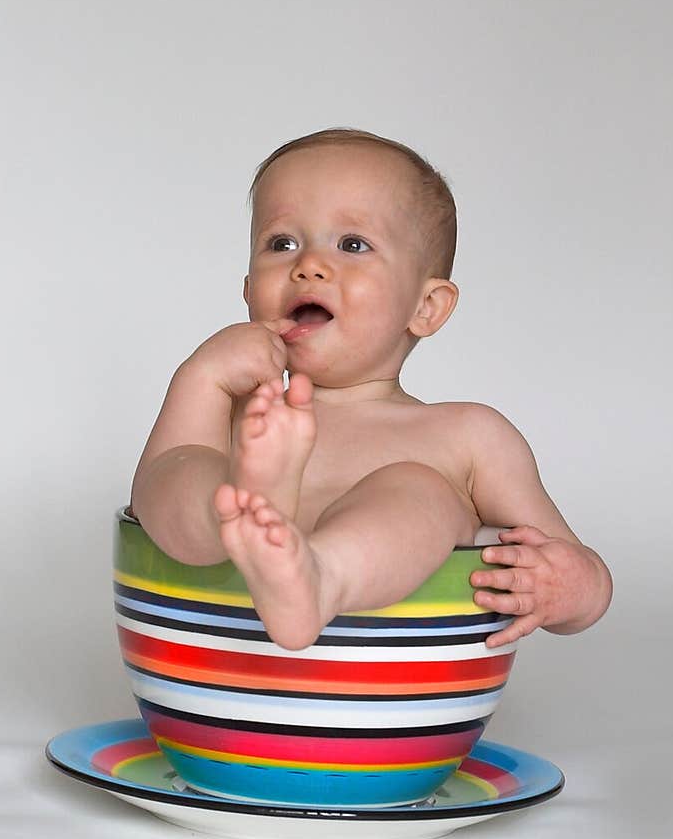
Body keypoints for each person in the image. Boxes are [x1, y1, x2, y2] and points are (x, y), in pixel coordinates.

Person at [130, 128, 612, 652]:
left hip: (388, 707)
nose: (308, 265)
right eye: (281, 243)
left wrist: (570, 587)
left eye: (352, 245)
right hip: (216, 671)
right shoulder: (239, 413)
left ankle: (321, 579)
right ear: (248, 289)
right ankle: (238, 507)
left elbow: (573, 564)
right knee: (186, 470)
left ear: (425, 308)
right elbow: (150, 491)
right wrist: (200, 376)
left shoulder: (467, 436)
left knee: (419, 488)